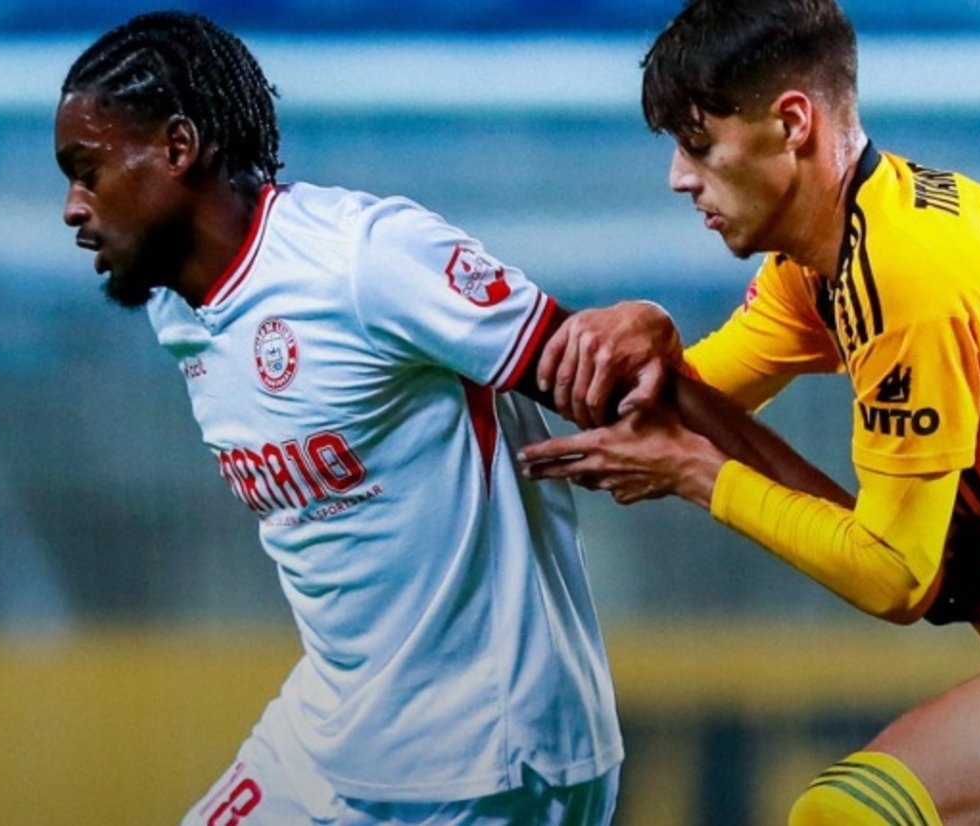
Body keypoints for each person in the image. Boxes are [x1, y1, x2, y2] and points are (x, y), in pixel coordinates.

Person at [519, 0, 980, 823]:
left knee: (853, 812)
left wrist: (696, 476)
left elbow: (896, 576)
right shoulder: (844, 249)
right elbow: (676, 407)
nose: (679, 178)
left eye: (699, 144)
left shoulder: (906, 277)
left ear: (791, 123)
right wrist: (653, 341)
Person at [52, 12, 627, 825]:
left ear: (179, 147)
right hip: (331, 738)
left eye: (87, 173)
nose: (72, 209)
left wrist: (794, 508)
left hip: (483, 761)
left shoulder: (364, 260)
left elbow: (617, 384)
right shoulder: (179, 310)